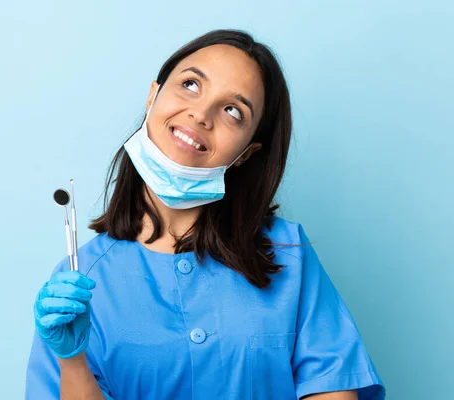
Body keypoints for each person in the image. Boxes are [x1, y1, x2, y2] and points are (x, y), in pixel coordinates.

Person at [25, 29, 386, 400]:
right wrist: (71, 360)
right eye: (191, 84)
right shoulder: (79, 281)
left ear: (246, 153)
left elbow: (333, 388)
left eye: (233, 111)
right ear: (153, 96)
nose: (200, 114)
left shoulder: (288, 254)